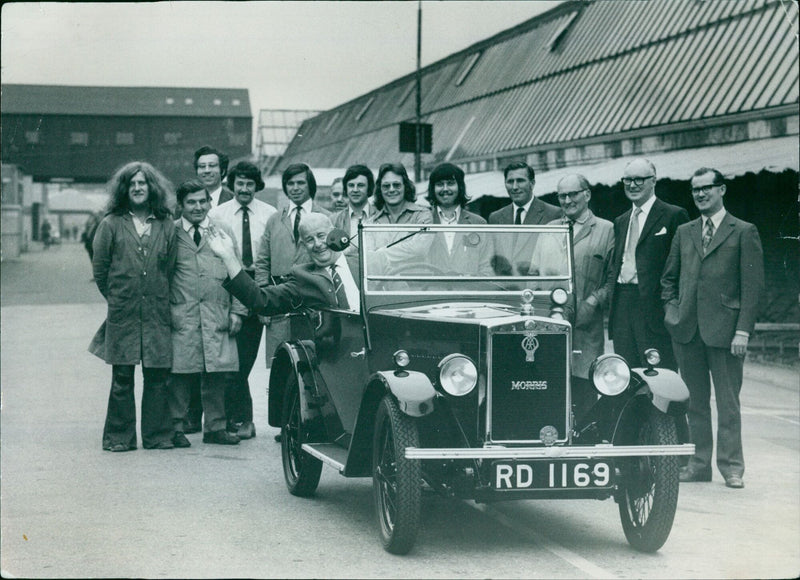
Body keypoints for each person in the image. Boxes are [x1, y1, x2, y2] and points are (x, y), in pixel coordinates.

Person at [662, 168, 764, 489]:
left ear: (722, 190)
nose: (701, 194)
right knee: (695, 402)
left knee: (728, 403)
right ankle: (698, 463)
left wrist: (743, 331)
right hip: (688, 331)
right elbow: (668, 280)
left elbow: (753, 287)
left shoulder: (743, 231)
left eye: (707, 188)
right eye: (695, 190)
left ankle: (732, 467)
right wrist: (672, 313)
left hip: (726, 333)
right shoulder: (685, 232)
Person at [88, 161, 176, 452]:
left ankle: (158, 435)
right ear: (125, 189)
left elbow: (171, 269)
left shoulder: (165, 224)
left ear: (152, 188)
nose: (138, 188)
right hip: (122, 315)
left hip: (157, 314)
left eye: (143, 183)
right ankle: (118, 438)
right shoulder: (110, 224)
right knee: (122, 379)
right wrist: (120, 298)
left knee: (157, 378)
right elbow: (100, 271)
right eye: (133, 184)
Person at [168, 179, 247, 447]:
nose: (198, 207)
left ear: (209, 202)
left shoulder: (221, 230)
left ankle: (215, 428)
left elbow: (236, 269)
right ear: (180, 206)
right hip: (182, 313)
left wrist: (238, 310)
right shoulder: (171, 232)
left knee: (216, 372)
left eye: (203, 201)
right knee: (180, 373)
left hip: (217, 313)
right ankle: (175, 428)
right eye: (191, 202)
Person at [208, 161, 277, 439]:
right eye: (240, 183)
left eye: (250, 184)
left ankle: (240, 419)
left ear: (256, 185)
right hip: (228, 288)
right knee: (229, 360)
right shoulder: (217, 214)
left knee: (244, 360)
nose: (245, 189)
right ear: (231, 185)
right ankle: (240, 420)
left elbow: (269, 258)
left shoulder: (269, 214)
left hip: (257, 288)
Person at [608, 158, 689, 370]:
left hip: (654, 308)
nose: (632, 185)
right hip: (622, 304)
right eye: (627, 180)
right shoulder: (621, 220)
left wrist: (672, 309)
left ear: (653, 181)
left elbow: (683, 267)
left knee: (659, 372)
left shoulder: (673, 215)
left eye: (639, 179)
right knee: (626, 373)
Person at [548, 174, 615, 420]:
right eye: (562, 196)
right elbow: (533, 274)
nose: (567, 200)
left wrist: (594, 301)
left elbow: (612, 278)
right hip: (552, 323)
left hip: (587, 327)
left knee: (585, 391)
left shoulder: (607, 230)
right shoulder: (549, 230)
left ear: (586, 194)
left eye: (573, 194)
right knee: (549, 387)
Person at [254, 163, 330, 372]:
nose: (295, 188)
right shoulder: (274, 220)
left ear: (310, 185)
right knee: (279, 367)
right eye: (290, 183)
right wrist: (263, 301)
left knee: (312, 366)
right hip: (279, 305)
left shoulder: (326, 217)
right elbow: (262, 261)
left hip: (312, 304)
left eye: (300, 183)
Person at [209, 212, 358, 316]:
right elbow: (260, 300)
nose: (317, 244)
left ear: (334, 233)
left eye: (321, 236)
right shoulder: (303, 278)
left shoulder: (363, 263)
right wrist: (228, 257)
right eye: (309, 240)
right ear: (304, 246)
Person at [488, 162, 561, 275]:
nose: (515, 187)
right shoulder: (495, 218)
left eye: (520, 181)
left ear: (532, 184)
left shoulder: (553, 214)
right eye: (510, 181)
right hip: (505, 288)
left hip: (537, 288)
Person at [426, 162, 493, 276]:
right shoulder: (423, 222)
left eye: (451, 183)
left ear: (460, 187)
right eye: (440, 184)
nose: (445, 189)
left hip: (468, 292)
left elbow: (487, 268)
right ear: (432, 189)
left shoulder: (478, 223)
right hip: (431, 291)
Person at [365, 162, 433, 273]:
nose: (391, 190)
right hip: (381, 286)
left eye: (396, 185)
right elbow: (368, 258)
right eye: (386, 186)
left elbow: (419, 249)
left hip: (417, 284)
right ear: (380, 189)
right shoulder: (371, 222)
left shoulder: (422, 215)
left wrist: (380, 253)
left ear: (405, 186)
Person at [332, 164, 375, 284]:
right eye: (351, 185)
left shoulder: (381, 217)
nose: (355, 190)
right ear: (346, 188)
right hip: (344, 280)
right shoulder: (334, 219)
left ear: (369, 188)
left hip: (375, 278)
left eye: (360, 185)